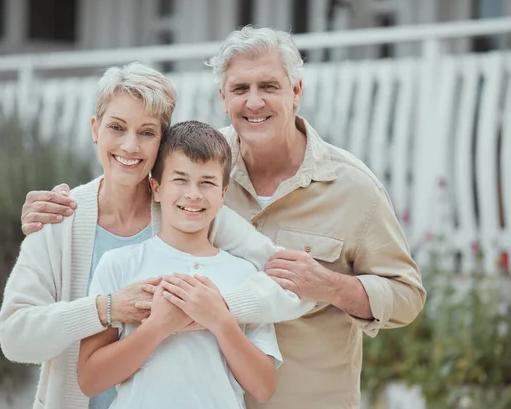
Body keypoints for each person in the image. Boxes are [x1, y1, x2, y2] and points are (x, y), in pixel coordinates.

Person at [21, 26, 426, 409]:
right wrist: (62, 208)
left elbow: (407, 295)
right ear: (223, 96)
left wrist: (332, 286)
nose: (254, 101)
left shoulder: (353, 188)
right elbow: (130, 172)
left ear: (296, 91)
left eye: (268, 86)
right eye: (240, 88)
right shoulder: (202, 165)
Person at [0, 63, 301, 409]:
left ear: (162, 141)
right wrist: (107, 308)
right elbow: (15, 338)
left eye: (146, 132)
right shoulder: (58, 219)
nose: (129, 145)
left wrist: (216, 311)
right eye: (116, 127)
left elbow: (292, 283)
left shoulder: (194, 214)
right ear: (95, 129)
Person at [78, 120, 281, 408]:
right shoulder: (119, 265)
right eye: (180, 179)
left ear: (222, 196)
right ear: (156, 189)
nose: (193, 194)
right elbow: (90, 380)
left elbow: (263, 388)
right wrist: (158, 327)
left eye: (207, 182)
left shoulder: (246, 274)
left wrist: (220, 320)